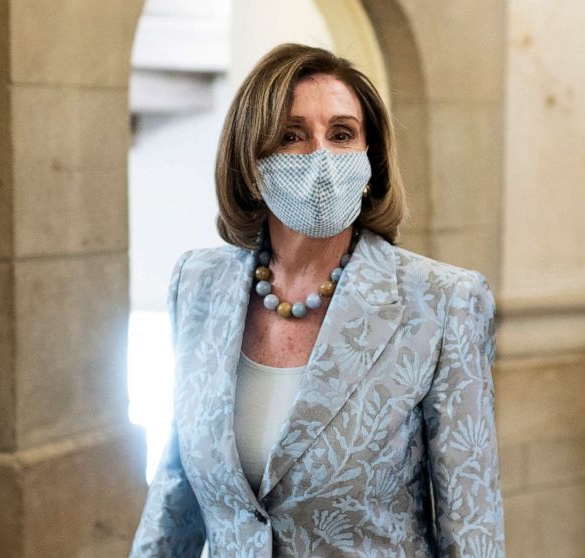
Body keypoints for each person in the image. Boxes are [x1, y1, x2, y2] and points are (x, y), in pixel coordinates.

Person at [128, 43, 505, 557]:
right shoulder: (197, 284)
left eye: (342, 134)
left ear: (370, 161)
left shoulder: (444, 303)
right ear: (251, 162)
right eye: (292, 135)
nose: (321, 156)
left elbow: (472, 532)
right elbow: (175, 498)